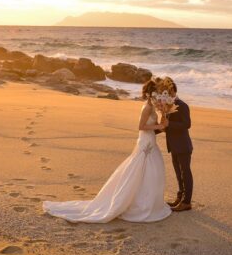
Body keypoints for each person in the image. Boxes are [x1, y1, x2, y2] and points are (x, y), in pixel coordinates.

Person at [42, 79, 172, 223]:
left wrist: (164, 117)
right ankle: (140, 205)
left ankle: (147, 203)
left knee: (151, 171)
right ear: (152, 93)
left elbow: (157, 126)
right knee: (141, 169)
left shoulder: (153, 107)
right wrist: (157, 126)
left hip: (150, 141)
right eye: (158, 92)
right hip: (145, 142)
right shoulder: (147, 107)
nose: (159, 95)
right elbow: (141, 126)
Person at [155, 77, 193, 212]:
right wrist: (152, 132)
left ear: (174, 91)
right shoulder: (167, 106)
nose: (166, 94)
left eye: (169, 91)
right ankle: (180, 198)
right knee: (178, 174)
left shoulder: (182, 105)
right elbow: (165, 127)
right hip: (173, 146)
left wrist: (169, 123)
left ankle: (187, 202)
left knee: (185, 173)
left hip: (183, 146)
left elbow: (186, 124)